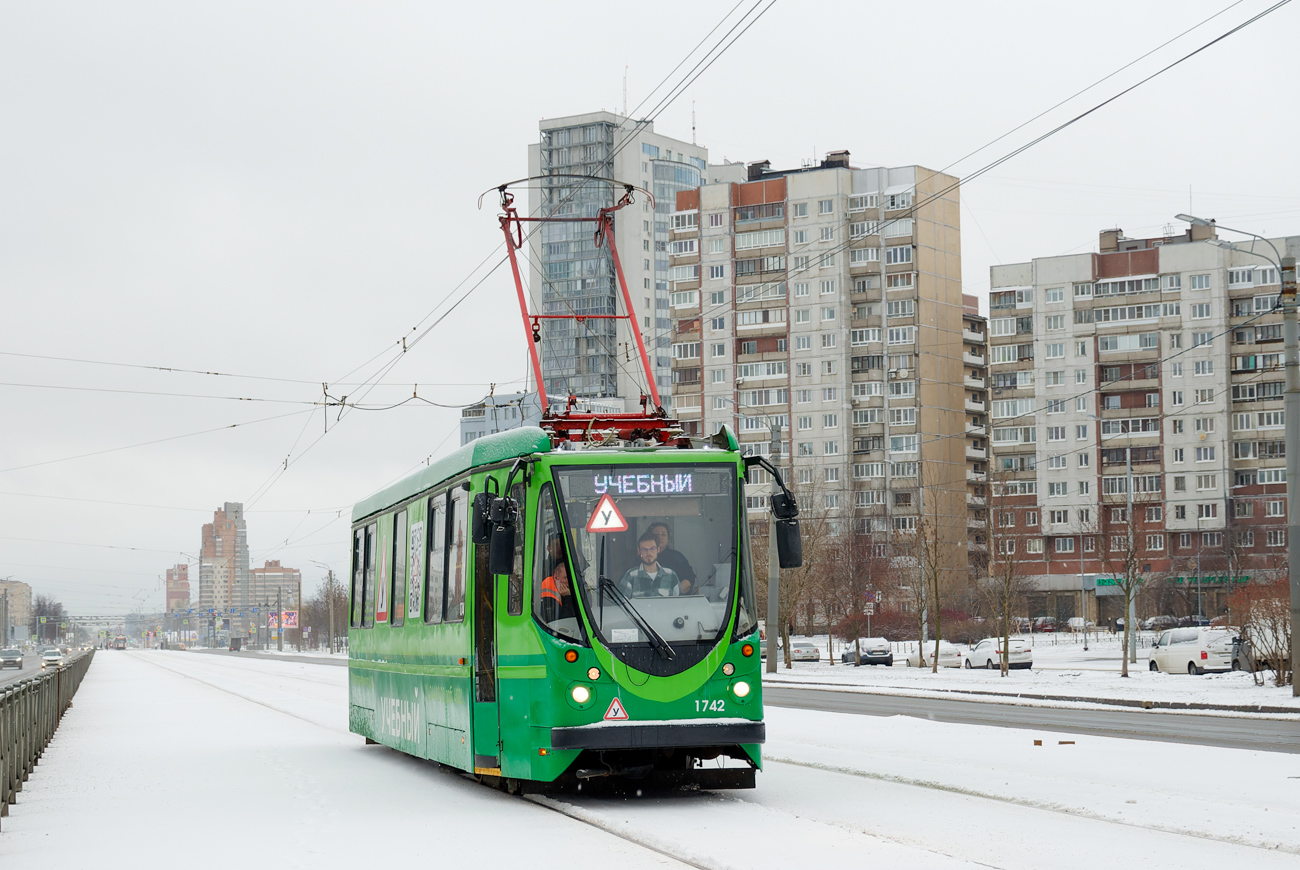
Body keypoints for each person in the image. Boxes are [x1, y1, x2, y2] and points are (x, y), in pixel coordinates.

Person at [618, 531, 680, 598]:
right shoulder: (631, 575)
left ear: (658, 549)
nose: (648, 553)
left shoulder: (671, 575)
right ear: (638, 551)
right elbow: (621, 604)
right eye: (644, 549)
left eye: (652, 548)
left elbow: (679, 604)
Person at [647, 522, 696, 594]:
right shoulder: (644, 557)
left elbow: (689, 579)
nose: (660, 537)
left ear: (668, 538)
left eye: (663, 534)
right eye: (656, 534)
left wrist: (673, 594)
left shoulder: (677, 557)